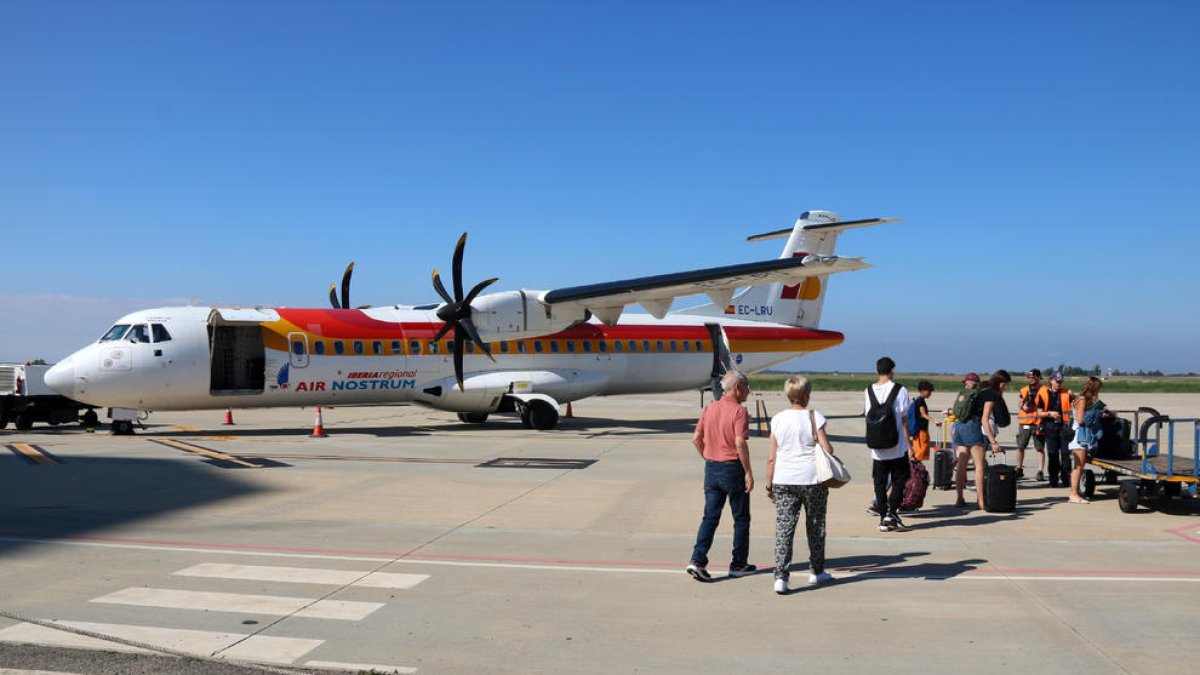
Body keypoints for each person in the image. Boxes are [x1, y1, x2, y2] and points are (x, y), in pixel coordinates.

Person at [765, 375, 834, 594]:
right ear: (806, 395)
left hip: (784, 479)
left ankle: (781, 578)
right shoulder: (815, 416)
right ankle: (816, 571)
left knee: (784, 529)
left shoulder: (777, 420)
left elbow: (772, 457)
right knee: (815, 526)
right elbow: (828, 449)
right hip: (812, 479)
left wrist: (769, 484)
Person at [687, 370, 756, 581]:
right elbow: (739, 442)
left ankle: (697, 559)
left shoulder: (710, 408)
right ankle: (738, 563)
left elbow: (696, 439)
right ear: (736, 388)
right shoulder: (739, 412)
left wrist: (708, 457)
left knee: (710, 517)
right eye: (746, 387)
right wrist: (748, 472)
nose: (748, 391)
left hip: (712, 468)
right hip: (732, 468)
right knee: (741, 518)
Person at [864, 357, 911, 532]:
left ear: (877, 371)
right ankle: (892, 513)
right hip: (897, 445)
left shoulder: (868, 390)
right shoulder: (901, 389)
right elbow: (904, 417)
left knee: (880, 483)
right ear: (892, 371)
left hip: (877, 447)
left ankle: (883, 516)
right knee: (900, 479)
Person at [954, 370, 1011, 509]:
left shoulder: (979, 391)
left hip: (959, 426)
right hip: (973, 426)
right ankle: (981, 501)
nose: (1005, 387)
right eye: (1005, 384)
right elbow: (985, 420)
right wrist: (993, 442)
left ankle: (959, 498)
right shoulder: (990, 394)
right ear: (1001, 383)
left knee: (962, 465)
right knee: (979, 466)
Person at [1067, 376, 1104, 504]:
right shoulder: (1082, 400)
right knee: (1078, 466)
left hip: (1080, 435)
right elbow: (1081, 419)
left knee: (1079, 465)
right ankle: (1073, 494)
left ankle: (1075, 492)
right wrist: (1094, 416)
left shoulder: (1081, 398)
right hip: (1079, 436)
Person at [1038, 372, 1074, 488]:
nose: (1059, 384)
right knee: (1052, 455)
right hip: (1050, 427)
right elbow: (1039, 413)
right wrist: (1049, 413)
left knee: (1065, 455)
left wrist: (1073, 396)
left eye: (1060, 382)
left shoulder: (1067, 393)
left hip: (1064, 427)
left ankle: (1066, 479)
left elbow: (1077, 404)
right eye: (1057, 381)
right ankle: (1053, 480)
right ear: (1051, 381)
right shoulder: (1043, 394)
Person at [1015, 369, 1048, 481]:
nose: (1031, 379)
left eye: (1033, 377)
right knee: (1020, 447)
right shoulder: (1024, 390)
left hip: (1038, 423)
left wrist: (1033, 408)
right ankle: (1019, 469)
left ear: (1039, 377)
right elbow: (1020, 402)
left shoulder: (1045, 390)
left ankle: (1040, 471)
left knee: (1039, 448)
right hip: (1024, 423)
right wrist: (1022, 405)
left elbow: (1047, 405)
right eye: (1029, 377)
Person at [909, 381, 935, 462]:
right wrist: (934, 421)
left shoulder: (919, 400)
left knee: (922, 448)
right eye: (929, 391)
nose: (930, 393)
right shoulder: (920, 401)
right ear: (922, 391)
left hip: (921, 429)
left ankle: (916, 468)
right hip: (920, 430)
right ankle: (915, 468)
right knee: (920, 450)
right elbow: (923, 414)